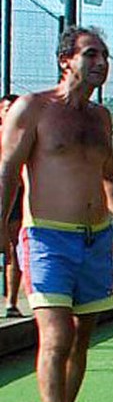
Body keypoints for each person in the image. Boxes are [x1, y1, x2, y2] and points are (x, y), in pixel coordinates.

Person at [0, 26, 113, 402]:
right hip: (46, 238)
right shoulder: (33, 108)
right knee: (56, 334)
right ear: (66, 60)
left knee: (81, 337)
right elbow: (7, 172)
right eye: (91, 54)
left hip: (95, 240)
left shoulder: (100, 118)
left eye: (104, 56)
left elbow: (109, 178)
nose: (101, 63)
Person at [1, 94, 22, 317]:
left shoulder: (25, 137)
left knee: (13, 249)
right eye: (7, 109)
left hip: (17, 198)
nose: (11, 113)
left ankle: (11, 303)